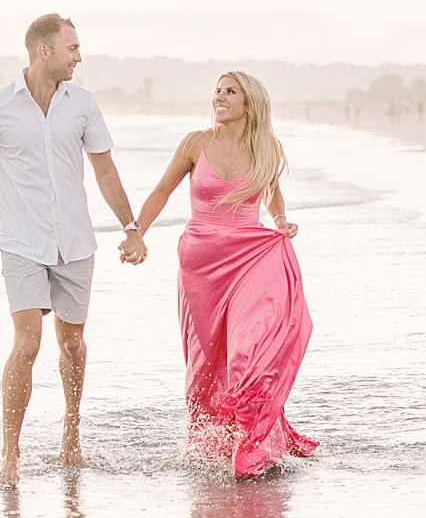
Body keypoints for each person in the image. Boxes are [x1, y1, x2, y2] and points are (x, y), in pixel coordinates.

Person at [0, 14, 146, 487]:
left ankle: (70, 430)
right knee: (27, 343)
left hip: (75, 242)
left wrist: (131, 227)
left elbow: (105, 170)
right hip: (22, 244)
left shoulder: (84, 105)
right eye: (72, 48)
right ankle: (9, 453)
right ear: (43, 51)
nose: (79, 56)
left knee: (71, 343)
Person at [135, 72, 317, 478]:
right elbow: (162, 190)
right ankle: (211, 446)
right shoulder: (194, 144)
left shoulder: (266, 148)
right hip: (200, 266)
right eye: (217, 91)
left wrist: (282, 219)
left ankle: (252, 444)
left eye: (229, 92)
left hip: (250, 257)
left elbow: (270, 190)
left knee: (246, 351)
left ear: (248, 103)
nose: (219, 97)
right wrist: (136, 233)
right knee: (205, 365)